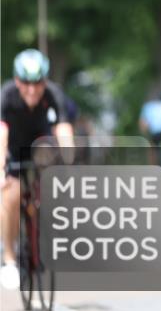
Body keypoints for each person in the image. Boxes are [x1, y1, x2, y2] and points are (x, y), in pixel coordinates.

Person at [0, 49, 75, 289]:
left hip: (39, 144)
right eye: (26, 83)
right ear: (17, 80)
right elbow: (1, 134)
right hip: (12, 146)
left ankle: (37, 231)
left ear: (45, 81)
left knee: (49, 172)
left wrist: (70, 166)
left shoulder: (54, 94)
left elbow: (63, 131)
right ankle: (9, 259)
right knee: (10, 193)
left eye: (38, 83)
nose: (32, 90)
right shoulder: (6, 95)